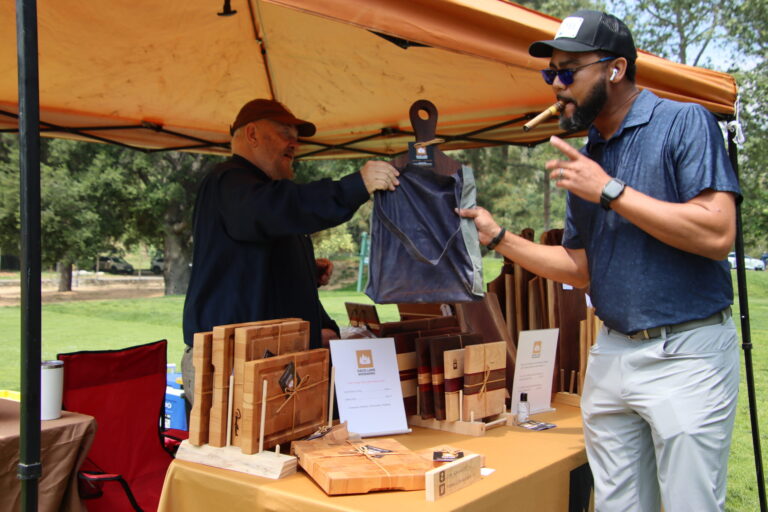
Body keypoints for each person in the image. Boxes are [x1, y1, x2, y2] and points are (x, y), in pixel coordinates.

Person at [459, 10, 741, 511]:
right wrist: (498, 236)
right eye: (551, 74)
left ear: (614, 70)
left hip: (686, 352)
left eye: (568, 71)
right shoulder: (592, 151)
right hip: (611, 352)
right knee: (616, 505)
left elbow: (717, 231)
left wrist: (609, 190)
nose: (556, 86)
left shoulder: (683, 122)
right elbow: (581, 266)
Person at [181, 98, 399, 401]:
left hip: (268, 362)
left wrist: (305, 276)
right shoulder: (228, 181)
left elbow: (253, 268)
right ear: (252, 134)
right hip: (231, 364)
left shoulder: (257, 192)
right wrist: (353, 187)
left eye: (296, 138)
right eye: (285, 134)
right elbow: (276, 209)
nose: (294, 145)